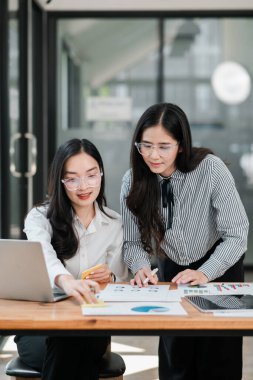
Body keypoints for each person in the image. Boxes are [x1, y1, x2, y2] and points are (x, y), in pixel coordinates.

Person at [120, 103, 249, 380]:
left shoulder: (210, 170)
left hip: (219, 266)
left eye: (164, 146)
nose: (153, 155)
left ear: (181, 145)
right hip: (173, 268)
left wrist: (205, 272)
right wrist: (141, 267)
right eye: (146, 145)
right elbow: (132, 242)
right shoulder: (133, 181)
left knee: (218, 361)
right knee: (176, 360)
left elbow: (237, 234)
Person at [15, 138, 128, 380]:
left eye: (91, 175)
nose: (83, 186)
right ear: (60, 181)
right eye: (72, 178)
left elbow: (121, 276)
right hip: (39, 326)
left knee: (73, 341)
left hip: (91, 324)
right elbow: (42, 253)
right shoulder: (39, 217)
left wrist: (110, 276)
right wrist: (66, 281)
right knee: (68, 342)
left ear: (101, 174)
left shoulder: (114, 223)